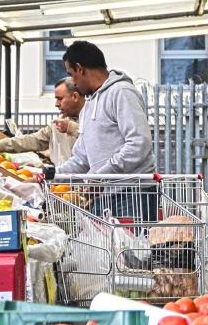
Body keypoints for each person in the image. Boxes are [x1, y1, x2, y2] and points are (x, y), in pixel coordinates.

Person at [54, 41, 156, 219]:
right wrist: (52, 176)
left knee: (132, 246)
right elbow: (82, 158)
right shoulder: (89, 105)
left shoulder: (122, 92)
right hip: (105, 196)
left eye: (72, 75)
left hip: (133, 194)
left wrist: (100, 177)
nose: (74, 83)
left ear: (80, 69)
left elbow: (139, 143)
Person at [0, 77, 84, 166]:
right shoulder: (59, 122)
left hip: (86, 185)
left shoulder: (93, 118)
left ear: (75, 97)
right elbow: (34, 139)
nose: (56, 104)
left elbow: (96, 141)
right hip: (63, 182)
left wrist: (72, 128)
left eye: (60, 99)